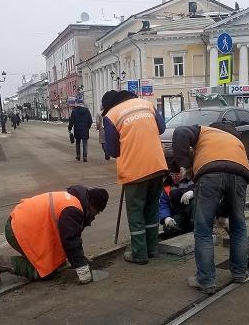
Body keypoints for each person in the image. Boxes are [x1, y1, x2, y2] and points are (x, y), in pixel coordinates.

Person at [173, 122, 249, 294]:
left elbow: (180, 131)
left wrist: (185, 166)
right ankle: (239, 273)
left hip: (210, 172)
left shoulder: (204, 130)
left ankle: (206, 280)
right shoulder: (235, 140)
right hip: (241, 173)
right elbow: (229, 175)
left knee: (203, 229)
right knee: (238, 226)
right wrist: (223, 215)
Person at [0, 185, 109, 285]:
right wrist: (82, 268)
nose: (95, 216)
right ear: (92, 206)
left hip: (20, 223)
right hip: (19, 231)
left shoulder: (74, 199)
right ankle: (0, 262)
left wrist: (80, 259)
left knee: (57, 262)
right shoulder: (73, 210)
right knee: (46, 272)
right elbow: (71, 242)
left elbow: (69, 237)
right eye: (97, 212)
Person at [102, 90, 167, 264]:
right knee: (152, 208)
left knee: (136, 212)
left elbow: (113, 150)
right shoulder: (146, 104)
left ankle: (139, 253)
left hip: (134, 171)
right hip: (157, 165)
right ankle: (152, 248)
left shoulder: (111, 115)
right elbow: (162, 128)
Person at [159, 163, 195, 236]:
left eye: (177, 175)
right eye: (172, 175)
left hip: (192, 213)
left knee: (194, 202)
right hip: (178, 213)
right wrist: (166, 217)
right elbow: (163, 204)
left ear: (183, 173)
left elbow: (203, 191)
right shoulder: (167, 187)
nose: (174, 178)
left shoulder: (191, 181)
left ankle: (195, 229)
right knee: (168, 228)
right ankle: (184, 230)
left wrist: (193, 192)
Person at [68, 96, 93, 162]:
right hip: (85, 129)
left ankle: (78, 156)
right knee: (85, 143)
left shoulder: (74, 111)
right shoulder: (87, 110)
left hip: (77, 129)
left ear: (77, 103)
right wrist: (88, 127)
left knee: (78, 143)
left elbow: (71, 121)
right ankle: (85, 157)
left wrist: (69, 128)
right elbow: (90, 121)